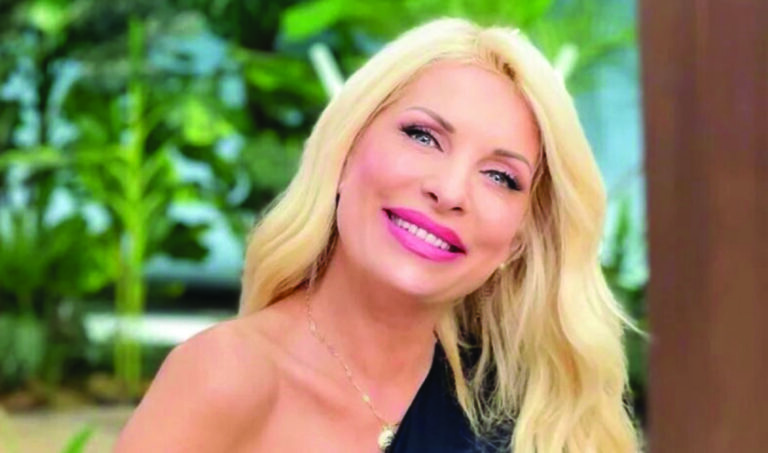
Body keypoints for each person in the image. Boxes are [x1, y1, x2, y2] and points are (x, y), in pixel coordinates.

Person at [115, 18, 640, 453]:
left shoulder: (534, 421)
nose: (449, 191)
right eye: (423, 136)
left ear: (519, 240)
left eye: (500, 177)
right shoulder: (225, 377)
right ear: (345, 152)